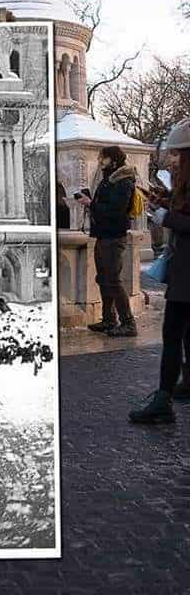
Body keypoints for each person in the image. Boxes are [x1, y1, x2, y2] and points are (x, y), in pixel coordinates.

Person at [129, 119, 190, 423]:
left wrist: (167, 217)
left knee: (172, 334)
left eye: (179, 154)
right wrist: (162, 202)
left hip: (188, 278)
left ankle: (163, 399)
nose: (174, 160)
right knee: (185, 335)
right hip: (183, 274)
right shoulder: (184, 184)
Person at [78, 146, 138, 337]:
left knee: (113, 279)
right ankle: (109, 320)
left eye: (102, 158)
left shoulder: (122, 181)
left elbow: (115, 210)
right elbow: (105, 205)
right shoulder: (108, 178)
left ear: (112, 160)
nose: (99, 161)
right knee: (103, 279)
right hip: (104, 235)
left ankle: (128, 323)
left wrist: (90, 203)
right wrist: (91, 199)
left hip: (113, 236)